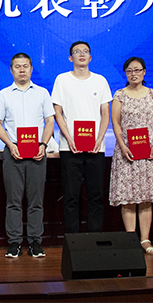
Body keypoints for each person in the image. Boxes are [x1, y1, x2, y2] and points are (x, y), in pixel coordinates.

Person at [0, 53, 54, 258]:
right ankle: (15, 243)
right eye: (17, 66)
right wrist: (10, 145)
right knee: (14, 201)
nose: (22, 70)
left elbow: (50, 121)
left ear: (31, 68)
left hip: (37, 151)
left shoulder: (42, 93)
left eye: (25, 66)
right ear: (11, 70)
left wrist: (43, 144)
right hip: (14, 151)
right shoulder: (4, 94)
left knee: (36, 200)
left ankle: (35, 242)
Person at [52, 41, 112, 234]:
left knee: (96, 195)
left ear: (90, 57)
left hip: (95, 148)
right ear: (71, 58)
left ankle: (94, 238)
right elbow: (57, 112)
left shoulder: (100, 80)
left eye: (85, 51)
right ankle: (73, 240)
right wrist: (69, 138)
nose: (81, 54)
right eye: (77, 51)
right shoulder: (62, 80)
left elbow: (105, 113)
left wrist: (99, 138)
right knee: (71, 196)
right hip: (70, 147)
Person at [109, 57, 153, 255]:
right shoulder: (119, 95)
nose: (133, 74)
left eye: (137, 70)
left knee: (145, 198)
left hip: (148, 152)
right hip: (126, 152)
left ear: (144, 72)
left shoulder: (152, 94)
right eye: (129, 70)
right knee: (128, 198)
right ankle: (130, 240)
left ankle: (145, 239)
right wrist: (122, 146)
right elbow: (116, 123)